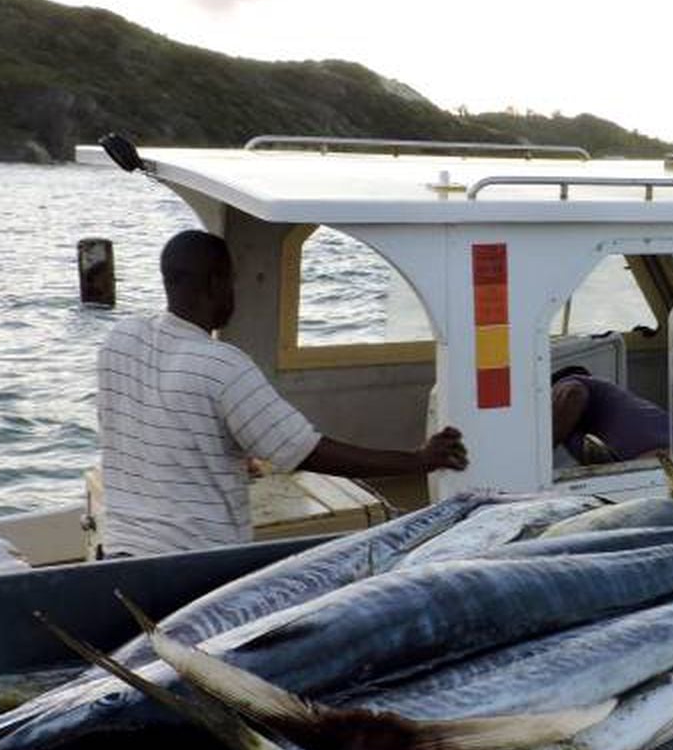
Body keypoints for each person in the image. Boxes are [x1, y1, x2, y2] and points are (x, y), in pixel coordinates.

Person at [95, 230, 467, 558]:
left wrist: (229, 451)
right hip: (193, 566)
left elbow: (148, 424)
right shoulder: (222, 365)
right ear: (215, 283)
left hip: (120, 558)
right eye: (232, 281)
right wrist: (420, 461)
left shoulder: (120, 338)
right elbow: (309, 452)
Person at [550, 366, 673, 464]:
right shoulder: (577, 431)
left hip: (665, 453)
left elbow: (572, 393)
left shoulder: (571, 384)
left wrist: (544, 448)